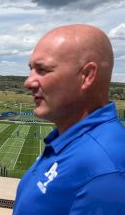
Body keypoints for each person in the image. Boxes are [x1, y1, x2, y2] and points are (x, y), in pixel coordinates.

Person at [13, 24, 125, 215]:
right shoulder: (69, 140)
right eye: (31, 69)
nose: (28, 82)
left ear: (87, 76)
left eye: (43, 70)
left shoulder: (105, 171)